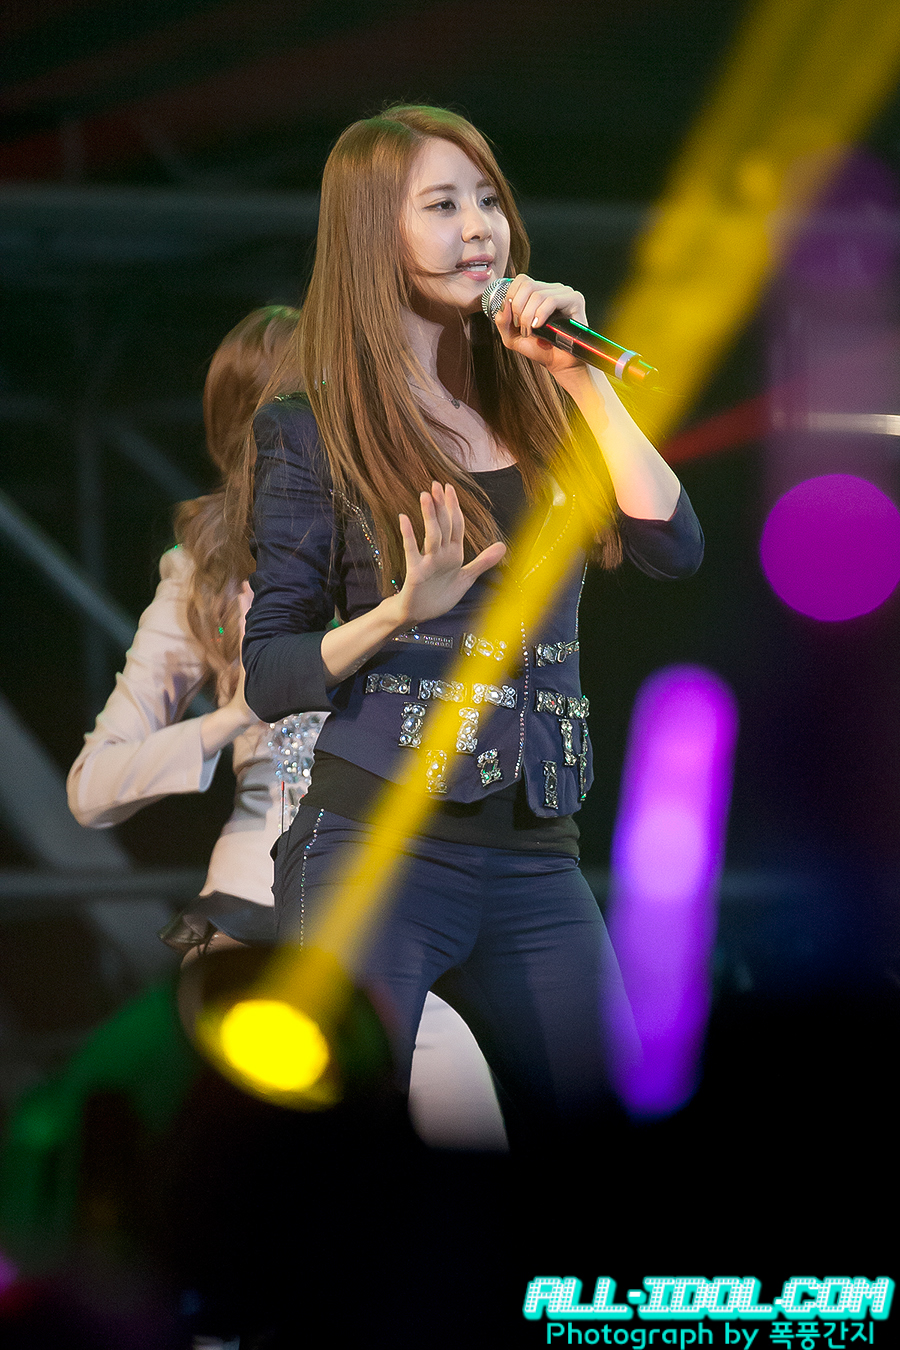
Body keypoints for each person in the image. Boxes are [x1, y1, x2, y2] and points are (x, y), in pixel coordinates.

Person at [242, 105, 705, 1147]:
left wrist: (581, 378)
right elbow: (270, 670)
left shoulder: (544, 405)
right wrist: (399, 613)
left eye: (488, 200)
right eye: (442, 205)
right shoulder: (312, 432)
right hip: (374, 849)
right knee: (340, 1157)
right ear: (376, 232)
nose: (478, 228)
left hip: (537, 854)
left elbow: (675, 546)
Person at [66, 304, 507, 1151]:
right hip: (260, 912)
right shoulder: (203, 575)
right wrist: (241, 711)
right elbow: (92, 789)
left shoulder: (401, 540)